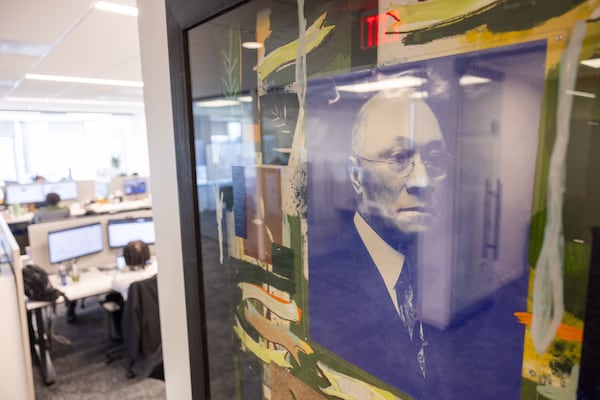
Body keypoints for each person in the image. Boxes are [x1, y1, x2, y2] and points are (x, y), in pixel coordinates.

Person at [309, 88, 525, 399]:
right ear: (356, 174)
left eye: (434, 159)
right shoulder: (325, 286)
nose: (421, 180)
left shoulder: (426, 270)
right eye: (399, 158)